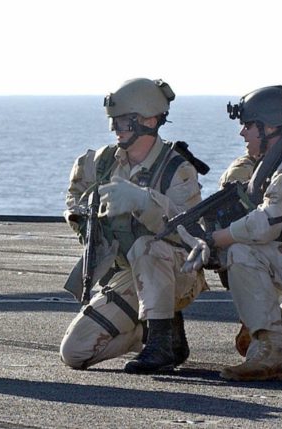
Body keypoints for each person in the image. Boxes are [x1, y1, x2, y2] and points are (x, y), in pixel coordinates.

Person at [178, 85, 282, 381]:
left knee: (245, 251)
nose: (243, 133)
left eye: (248, 125)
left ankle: (269, 353)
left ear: (269, 127)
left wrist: (214, 241)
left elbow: (265, 224)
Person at [59, 78, 206, 373]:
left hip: (175, 273)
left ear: (150, 120)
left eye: (125, 121)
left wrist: (144, 201)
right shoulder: (100, 163)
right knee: (74, 353)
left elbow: (192, 234)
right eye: (114, 122)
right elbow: (74, 198)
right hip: (126, 274)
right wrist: (79, 214)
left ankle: (161, 341)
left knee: (146, 247)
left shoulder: (178, 170)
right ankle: (149, 332)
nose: (116, 129)